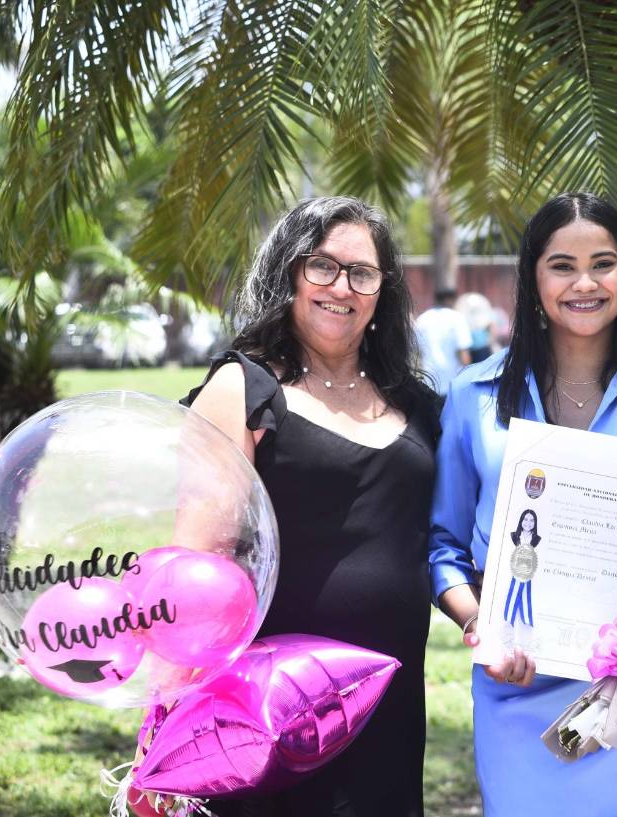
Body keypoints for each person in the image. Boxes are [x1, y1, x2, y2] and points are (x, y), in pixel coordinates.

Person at [428, 192, 617, 817]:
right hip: (520, 692)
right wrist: (476, 622)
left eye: (604, 262)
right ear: (534, 278)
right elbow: (443, 548)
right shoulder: (472, 399)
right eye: (562, 265)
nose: (584, 282)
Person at [183, 196, 438, 817]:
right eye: (321, 265)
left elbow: (455, 536)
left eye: (362, 273)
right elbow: (194, 565)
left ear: (383, 292)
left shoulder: (419, 403)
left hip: (389, 699)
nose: (341, 287)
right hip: (270, 708)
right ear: (289, 273)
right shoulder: (243, 388)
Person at [416, 287, 473, 393]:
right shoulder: (457, 318)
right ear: (449, 299)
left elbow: (417, 352)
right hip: (453, 380)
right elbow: (464, 353)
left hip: (429, 380)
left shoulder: (422, 319)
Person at [456, 291, 498, 362]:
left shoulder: (482, 307)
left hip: (481, 347)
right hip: (472, 347)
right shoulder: (464, 306)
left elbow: (491, 326)